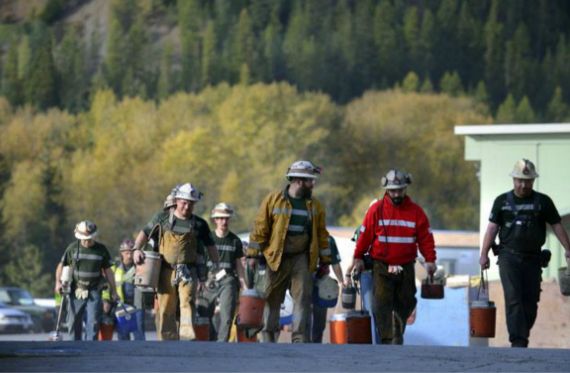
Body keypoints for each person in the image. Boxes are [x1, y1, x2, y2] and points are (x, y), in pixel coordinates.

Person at [479, 159, 570, 348]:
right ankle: (517, 341)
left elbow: (557, 225)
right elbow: (492, 229)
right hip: (508, 258)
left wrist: (568, 249)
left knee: (530, 302)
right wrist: (484, 253)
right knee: (513, 298)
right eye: (520, 180)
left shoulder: (543, 202)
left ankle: (521, 335)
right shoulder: (501, 202)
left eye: (527, 181)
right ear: (513, 180)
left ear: (533, 181)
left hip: (533, 260)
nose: (523, 184)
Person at [247, 160, 332, 343]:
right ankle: (268, 338)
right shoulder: (273, 199)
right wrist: (253, 255)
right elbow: (260, 228)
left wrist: (325, 261)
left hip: (302, 258)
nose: (313, 184)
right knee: (272, 299)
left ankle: (299, 340)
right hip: (276, 258)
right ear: (299, 181)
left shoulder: (315, 206)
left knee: (302, 299)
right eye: (310, 180)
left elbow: (322, 234)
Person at [352, 169, 436, 345]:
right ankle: (387, 339)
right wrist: (358, 257)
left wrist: (430, 260)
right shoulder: (376, 210)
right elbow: (365, 235)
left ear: (405, 188)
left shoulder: (416, 212)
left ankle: (397, 330)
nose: (396, 194)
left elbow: (425, 238)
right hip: (381, 265)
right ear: (386, 189)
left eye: (399, 190)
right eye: (393, 190)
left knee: (407, 299)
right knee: (381, 302)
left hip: (406, 266)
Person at [132, 183, 220, 340]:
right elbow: (145, 233)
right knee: (166, 304)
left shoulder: (200, 224)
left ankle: (186, 337)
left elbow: (210, 246)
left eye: (191, 203)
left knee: (188, 301)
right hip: (166, 270)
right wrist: (136, 249)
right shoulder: (162, 219)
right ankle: (167, 340)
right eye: (184, 202)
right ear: (177, 200)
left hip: (188, 271)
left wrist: (216, 265)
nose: (187, 206)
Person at [54, 220, 119, 341]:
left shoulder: (101, 250)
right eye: (84, 238)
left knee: (93, 322)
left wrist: (114, 291)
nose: (86, 241)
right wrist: (58, 283)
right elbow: (61, 266)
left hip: (94, 290)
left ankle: (90, 349)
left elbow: (108, 272)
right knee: (73, 321)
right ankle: (75, 347)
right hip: (76, 290)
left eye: (89, 238)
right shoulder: (72, 248)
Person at [201, 203, 246, 342]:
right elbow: (200, 260)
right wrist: (199, 280)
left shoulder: (235, 241)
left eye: (226, 218)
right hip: (209, 280)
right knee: (205, 314)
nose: (223, 221)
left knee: (227, 316)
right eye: (220, 218)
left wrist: (244, 285)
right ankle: (210, 344)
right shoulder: (208, 239)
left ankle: (222, 346)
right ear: (215, 220)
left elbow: (239, 265)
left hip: (228, 280)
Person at [310, 235, 345, 343]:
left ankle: (302, 343)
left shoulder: (299, 236)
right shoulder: (328, 239)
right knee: (318, 321)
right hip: (322, 284)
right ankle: (315, 344)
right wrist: (341, 282)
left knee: (302, 314)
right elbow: (335, 264)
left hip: (303, 281)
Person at [114, 239, 145, 340]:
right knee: (123, 333)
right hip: (122, 304)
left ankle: (141, 353)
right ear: (121, 253)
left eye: (131, 253)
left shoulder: (141, 267)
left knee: (139, 331)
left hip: (137, 304)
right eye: (127, 253)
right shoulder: (115, 268)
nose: (129, 255)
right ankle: (124, 355)